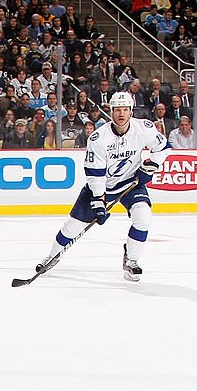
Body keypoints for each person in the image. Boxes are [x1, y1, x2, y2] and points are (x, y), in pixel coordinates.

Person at [33, 90, 169, 282]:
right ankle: (52, 256)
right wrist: (99, 200)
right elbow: (95, 174)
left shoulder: (143, 128)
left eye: (125, 110)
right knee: (73, 226)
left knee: (143, 217)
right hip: (103, 187)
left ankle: (131, 260)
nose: (121, 114)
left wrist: (151, 166)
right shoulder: (98, 138)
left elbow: (162, 148)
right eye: (117, 110)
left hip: (131, 183)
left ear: (131, 111)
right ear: (111, 112)